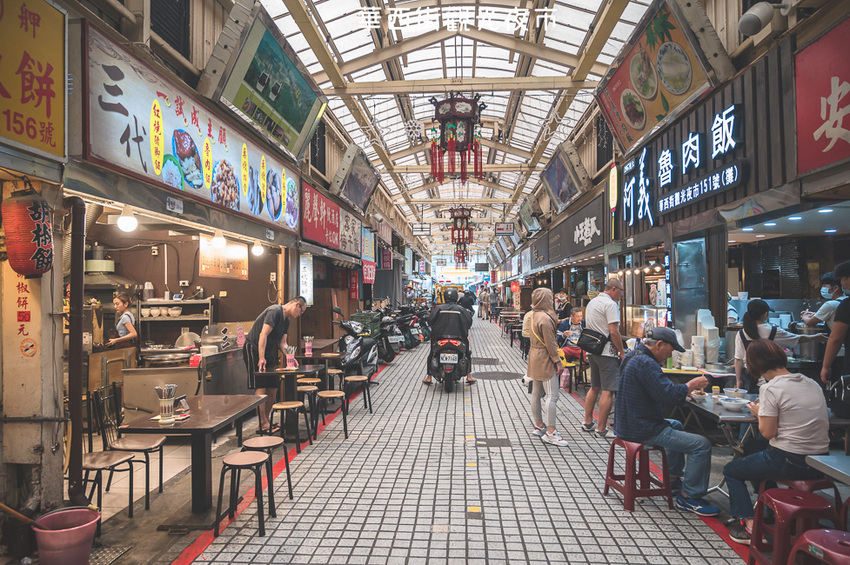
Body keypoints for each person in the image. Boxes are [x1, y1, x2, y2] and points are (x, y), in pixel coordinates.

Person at [724, 339, 829, 545]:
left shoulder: (771, 388)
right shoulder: (811, 382)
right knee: (751, 448)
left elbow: (767, 433)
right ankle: (770, 506)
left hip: (790, 460)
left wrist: (759, 413)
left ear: (754, 365)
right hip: (820, 460)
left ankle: (749, 525)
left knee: (731, 470)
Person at [614, 326, 719, 517]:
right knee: (701, 445)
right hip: (641, 427)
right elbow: (668, 395)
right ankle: (689, 497)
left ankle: (672, 481)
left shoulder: (633, 355)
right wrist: (690, 385)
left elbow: (659, 390)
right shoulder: (646, 363)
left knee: (676, 424)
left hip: (628, 422)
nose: (670, 355)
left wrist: (682, 390)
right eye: (670, 350)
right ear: (660, 344)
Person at [244, 297, 307, 434]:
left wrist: (291, 357)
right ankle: (262, 423)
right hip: (254, 348)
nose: (299, 315)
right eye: (301, 311)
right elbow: (263, 334)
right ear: (297, 305)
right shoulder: (274, 311)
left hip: (268, 350)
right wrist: (261, 357)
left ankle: (267, 419)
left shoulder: (287, 320)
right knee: (261, 385)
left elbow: (282, 343)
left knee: (273, 385)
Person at [734, 299, 826, 391]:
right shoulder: (773, 330)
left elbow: (738, 359)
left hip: (750, 379)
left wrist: (738, 380)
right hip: (770, 379)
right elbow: (797, 339)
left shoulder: (741, 333)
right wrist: (815, 337)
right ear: (765, 314)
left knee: (752, 400)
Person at [581, 278, 626, 439]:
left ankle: (587, 421)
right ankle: (601, 428)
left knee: (595, 387)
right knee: (608, 390)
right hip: (607, 352)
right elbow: (613, 331)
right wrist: (621, 352)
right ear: (614, 289)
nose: (622, 295)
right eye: (621, 291)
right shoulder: (610, 305)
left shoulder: (592, 302)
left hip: (592, 350)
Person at [527, 288, 569, 447]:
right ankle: (551, 432)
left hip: (534, 356)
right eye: (550, 297)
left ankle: (539, 425)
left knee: (536, 393)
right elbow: (551, 343)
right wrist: (557, 361)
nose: (553, 300)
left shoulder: (534, 315)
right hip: (545, 357)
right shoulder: (545, 318)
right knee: (552, 395)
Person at [423, 287, 476, 385]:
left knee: (432, 353)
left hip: (439, 338)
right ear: (456, 297)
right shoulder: (461, 309)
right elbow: (468, 322)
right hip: (458, 338)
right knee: (467, 353)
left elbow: (430, 321)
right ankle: (469, 376)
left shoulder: (438, 309)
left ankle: (429, 377)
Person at [821, 260, 850, 385]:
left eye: (843, 278)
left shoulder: (847, 305)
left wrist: (826, 366)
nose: (842, 282)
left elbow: (836, 338)